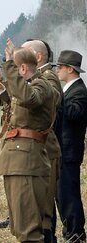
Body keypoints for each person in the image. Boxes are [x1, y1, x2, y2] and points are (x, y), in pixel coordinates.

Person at [0, 39, 63, 243]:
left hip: (29, 158)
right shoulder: (33, 84)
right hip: (20, 157)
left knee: (33, 227)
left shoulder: (45, 81)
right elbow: (17, 101)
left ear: (22, 67)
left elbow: (29, 99)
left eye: (14, 66)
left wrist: (10, 68)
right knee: (23, 224)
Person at [56, 50, 87, 242]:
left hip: (69, 151)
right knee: (62, 194)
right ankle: (70, 230)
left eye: (60, 67)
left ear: (70, 69)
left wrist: (58, 95)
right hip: (63, 150)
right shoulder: (70, 89)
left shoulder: (80, 91)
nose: (58, 71)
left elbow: (75, 114)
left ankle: (76, 233)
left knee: (69, 194)